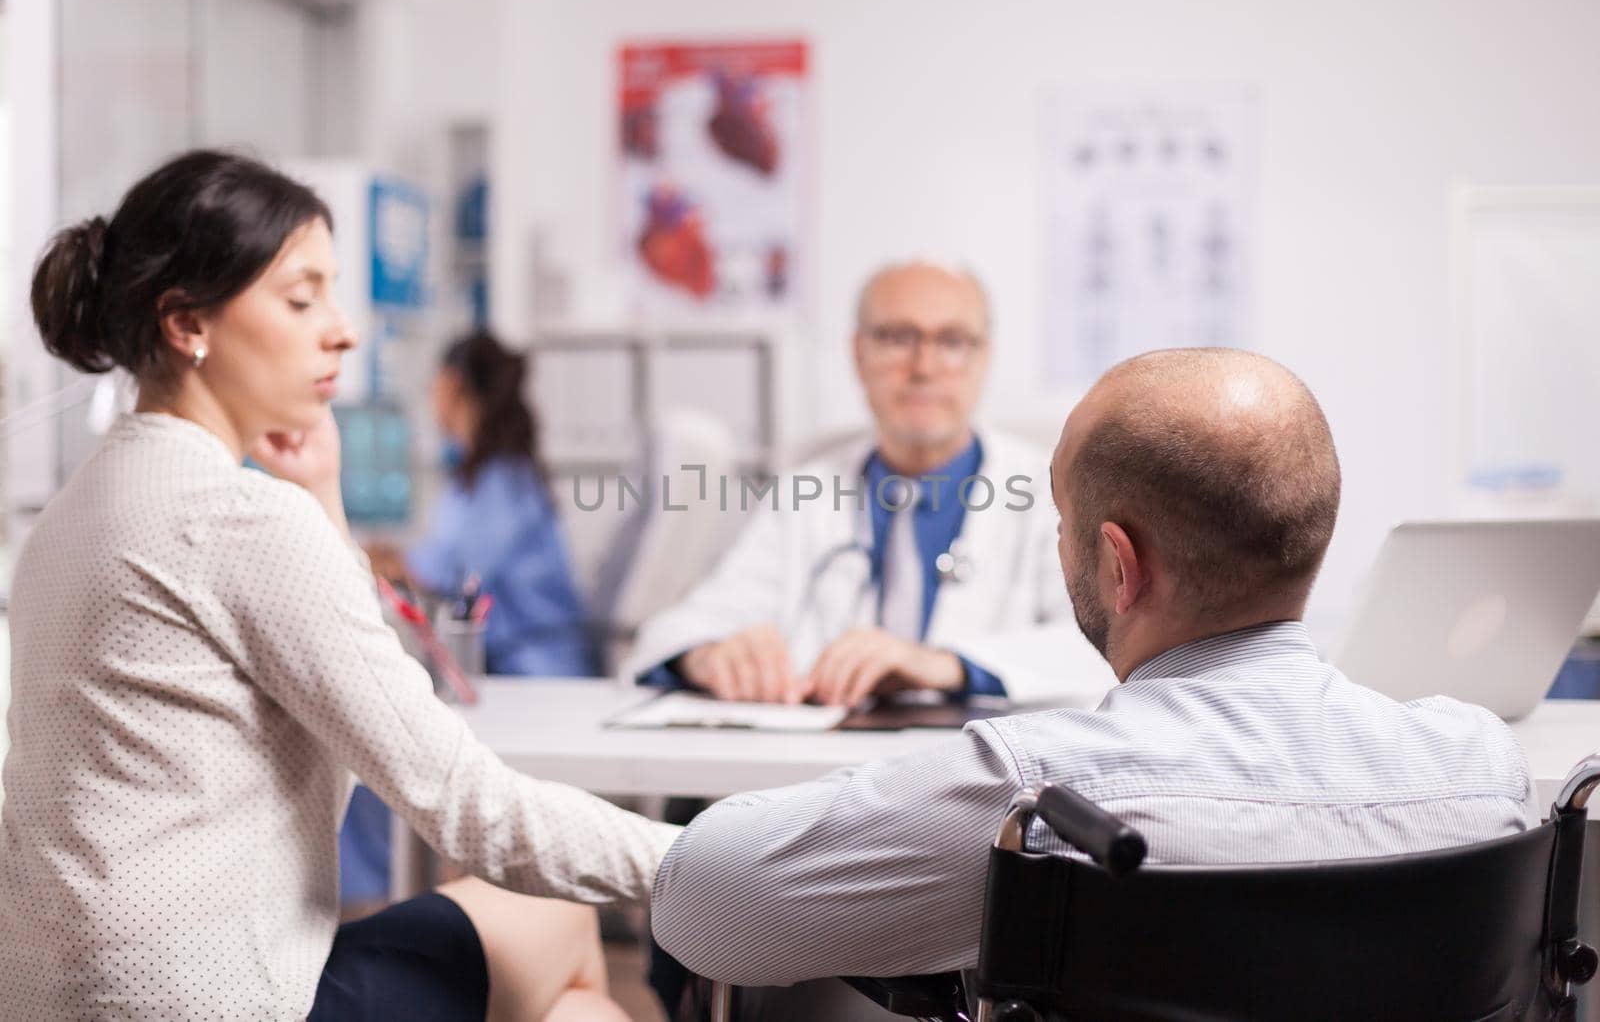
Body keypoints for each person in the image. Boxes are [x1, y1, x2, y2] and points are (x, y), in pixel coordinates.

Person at [0, 149, 677, 1020]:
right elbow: (469, 806)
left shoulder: (73, 507)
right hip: (208, 999)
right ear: (185, 322)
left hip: (53, 997)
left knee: (576, 1001)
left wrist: (320, 493)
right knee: (564, 932)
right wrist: (714, 859)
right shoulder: (237, 517)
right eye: (301, 297)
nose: (343, 329)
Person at [650, 347, 1533, 990]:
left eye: (1064, 516)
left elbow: (703, 909)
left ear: (1118, 563)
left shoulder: (1035, 801)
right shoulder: (1478, 762)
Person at [624, 261, 1106, 706]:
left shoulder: (1052, 493)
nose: (923, 367)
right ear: (858, 354)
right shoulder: (804, 493)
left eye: (953, 341)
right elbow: (676, 630)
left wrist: (946, 665)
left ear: (984, 358)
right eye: (898, 338)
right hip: (820, 776)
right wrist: (707, 655)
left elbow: (1104, 647)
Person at [367, 332, 595, 679]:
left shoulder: (502, 481)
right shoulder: (482, 473)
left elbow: (446, 575)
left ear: (450, 384)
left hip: (535, 670)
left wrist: (370, 558)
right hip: (509, 664)